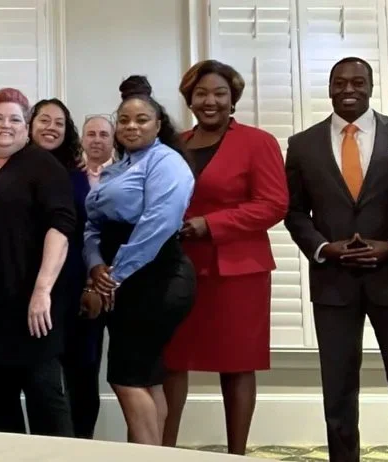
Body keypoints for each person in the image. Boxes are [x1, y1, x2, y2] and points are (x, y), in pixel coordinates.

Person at [285, 57, 388, 462]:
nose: (349, 89)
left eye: (358, 82)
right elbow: (294, 211)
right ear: (330, 87)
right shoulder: (302, 144)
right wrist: (322, 248)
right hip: (333, 282)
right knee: (338, 390)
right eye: (340, 82)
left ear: (370, 85)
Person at [161, 59, 288, 454]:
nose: (210, 101)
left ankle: (236, 454)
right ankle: (162, 449)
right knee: (170, 360)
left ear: (233, 99)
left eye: (219, 93)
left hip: (237, 271)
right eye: (201, 94)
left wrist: (209, 224)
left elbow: (273, 204)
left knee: (236, 363)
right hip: (177, 269)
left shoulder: (258, 142)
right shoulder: (173, 144)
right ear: (189, 99)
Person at [0, 87, 76, 437]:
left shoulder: (40, 164)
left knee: (43, 393)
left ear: (26, 127)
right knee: (0, 396)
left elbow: (61, 227)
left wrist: (42, 290)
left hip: (27, 297)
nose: (5, 125)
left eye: (15, 119)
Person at [81, 76, 196, 446]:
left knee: (127, 377)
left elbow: (158, 224)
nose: (132, 126)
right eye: (125, 120)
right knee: (147, 378)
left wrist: (114, 277)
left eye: (142, 119)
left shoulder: (167, 162)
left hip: (157, 278)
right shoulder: (120, 167)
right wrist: (95, 265)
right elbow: (93, 226)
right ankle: (156, 452)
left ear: (158, 124)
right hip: (123, 280)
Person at [29, 98, 97, 439]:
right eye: (44, 120)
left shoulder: (78, 176)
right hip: (32, 291)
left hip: (74, 286)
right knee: (42, 380)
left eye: (58, 122)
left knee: (82, 374)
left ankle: (82, 446)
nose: (50, 127)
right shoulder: (14, 170)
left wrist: (91, 283)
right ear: (29, 125)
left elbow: (90, 234)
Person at [81, 115, 116, 188]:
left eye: (103, 135)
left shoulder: (124, 173)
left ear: (114, 141)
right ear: (82, 140)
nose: (97, 140)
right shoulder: (69, 171)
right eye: (91, 134)